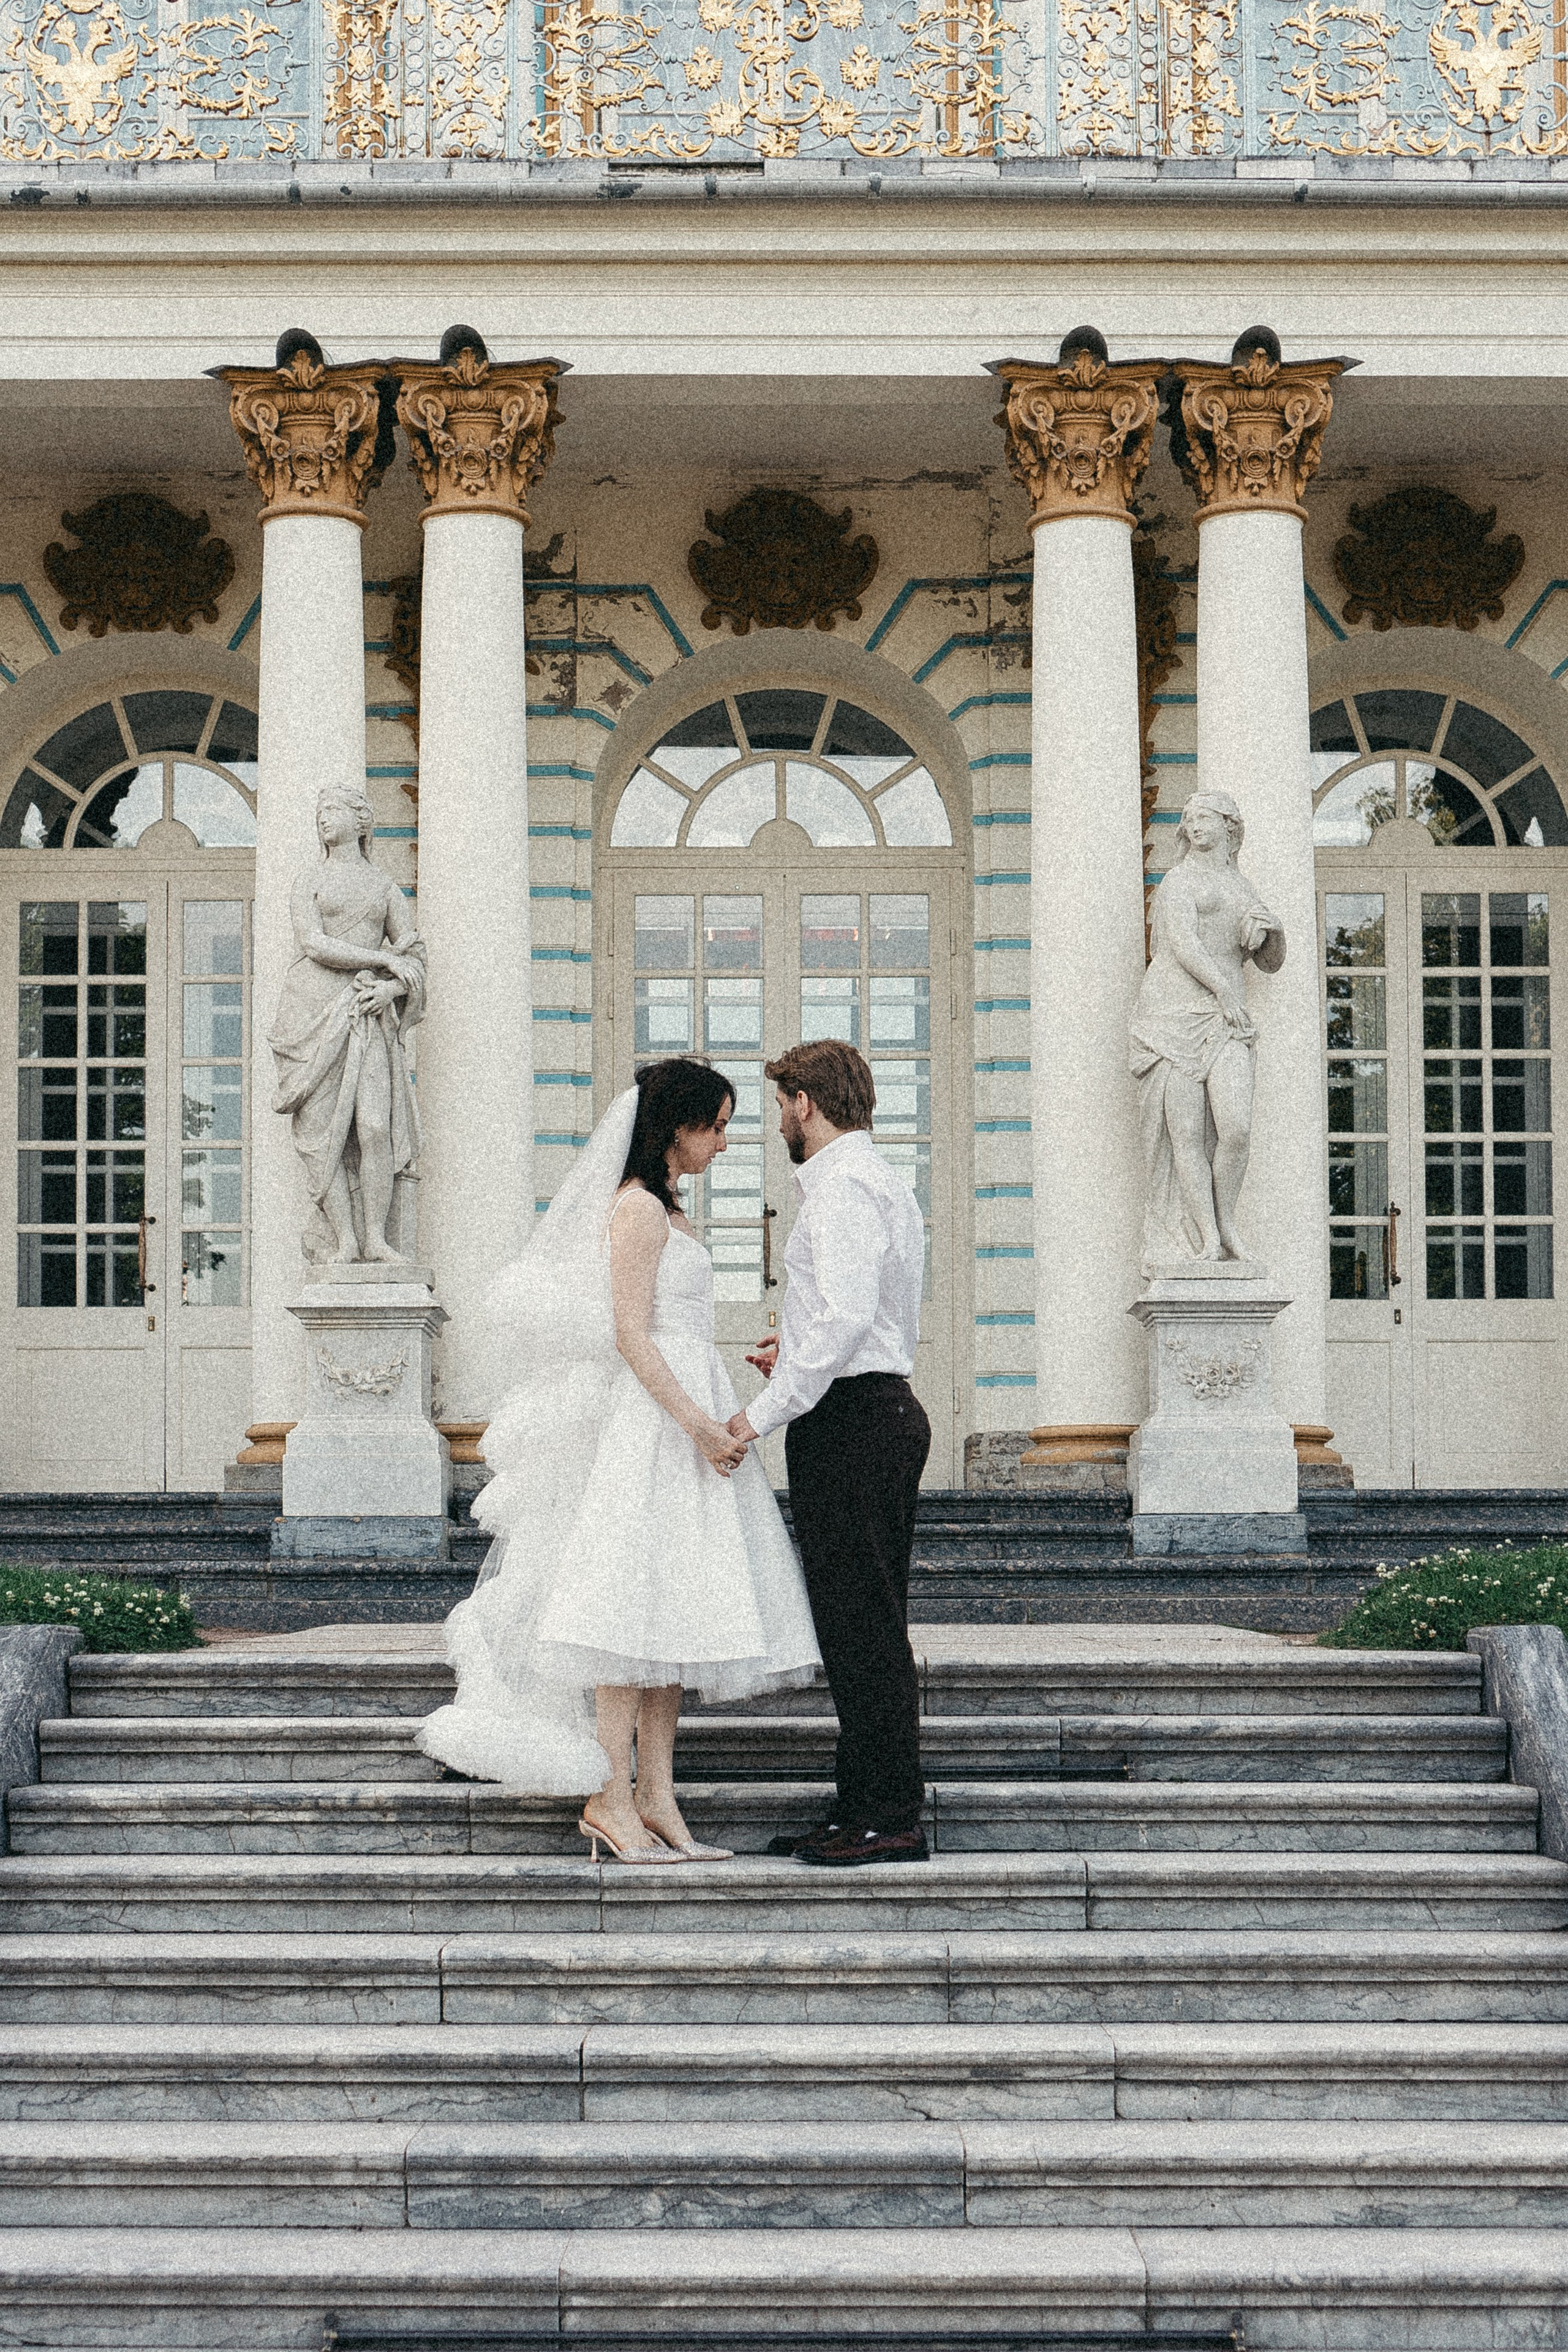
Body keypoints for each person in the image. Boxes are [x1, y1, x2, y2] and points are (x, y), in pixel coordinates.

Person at [416, 1057, 821, 1863]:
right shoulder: (635, 1210)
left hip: (687, 1409)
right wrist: (699, 1425)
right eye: (717, 1127)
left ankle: (656, 1794)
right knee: (629, 1604)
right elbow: (631, 1335)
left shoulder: (668, 1213)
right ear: (678, 1127)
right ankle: (609, 1795)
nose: (725, 1144)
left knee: (674, 1608)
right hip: (656, 1425)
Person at [727, 1038, 930, 1868]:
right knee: (857, 1625)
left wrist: (759, 1415)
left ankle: (888, 1816)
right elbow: (860, 1316)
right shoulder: (874, 1181)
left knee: (863, 1627)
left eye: (781, 1105)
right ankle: (862, 1806)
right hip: (868, 1409)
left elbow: (847, 1319)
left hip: (854, 1422)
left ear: (805, 1103)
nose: (780, 1120)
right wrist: (798, 1349)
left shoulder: (843, 1189)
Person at [269, 784, 426, 1266]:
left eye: (333, 809)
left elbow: (415, 956)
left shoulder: (384, 887)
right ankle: (345, 1241)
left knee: (375, 1126)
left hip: (365, 1011)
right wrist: (381, 959)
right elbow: (313, 943)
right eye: (320, 811)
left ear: (362, 822)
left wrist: (391, 990)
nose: (323, 818)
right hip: (310, 1011)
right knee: (323, 1137)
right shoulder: (309, 881)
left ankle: (376, 1238)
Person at [1129, 786, 1284, 1271]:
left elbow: (1269, 962)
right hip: (1173, 1014)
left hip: (1225, 1018)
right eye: (1190, 819)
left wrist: (1275, 932)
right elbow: (1182, 943)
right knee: (1187, 1135)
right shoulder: (1179, 880)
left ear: (1229, 826)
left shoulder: (1242, 887)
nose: (1195, 826)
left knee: (1236, 1128)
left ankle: (1227, 1222)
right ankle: (1209, 1239)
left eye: (1205, 818)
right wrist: (1224, 990)